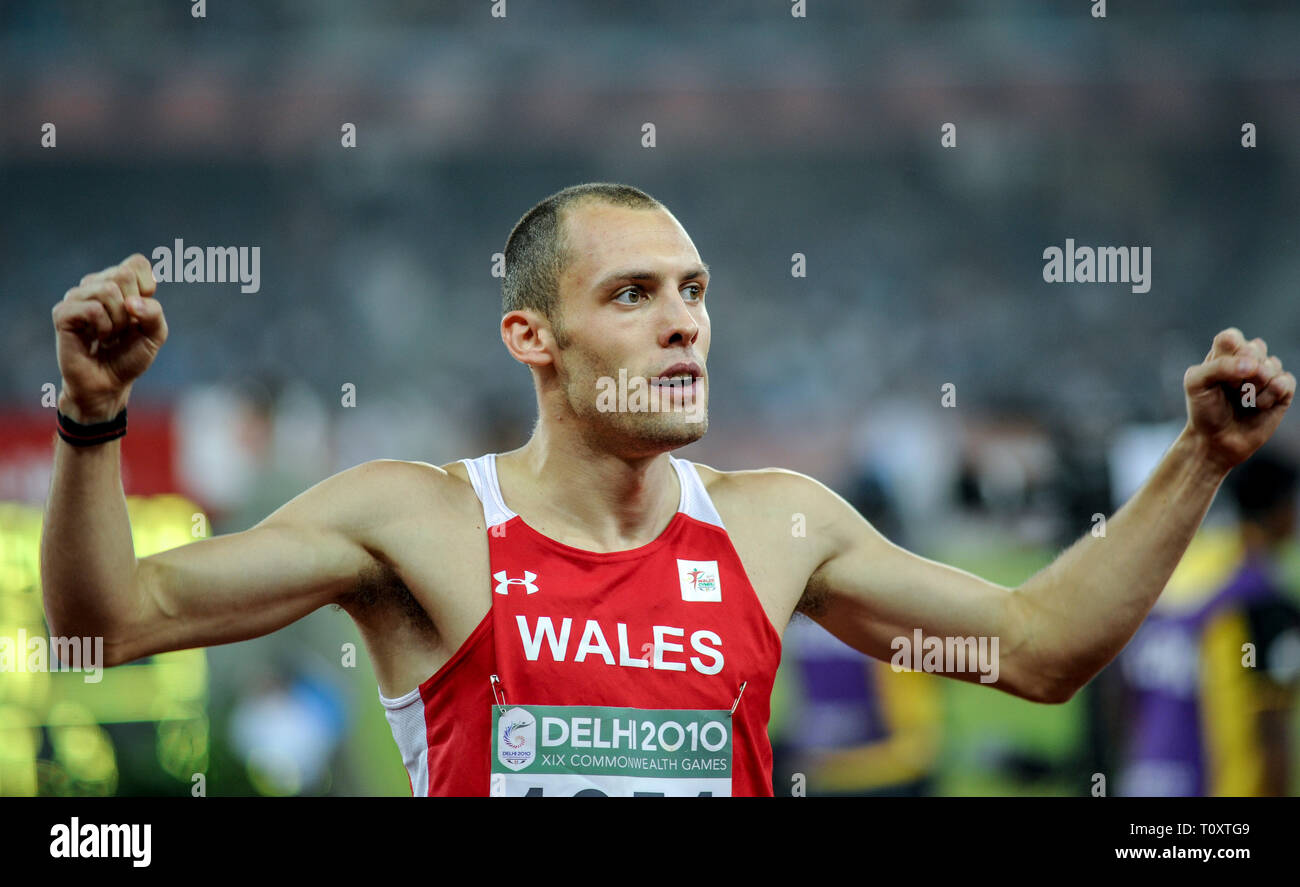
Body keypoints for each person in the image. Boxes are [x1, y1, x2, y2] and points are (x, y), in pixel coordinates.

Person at [41, 182, 1296, 796]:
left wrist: (1200, 460)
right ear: (532, 338)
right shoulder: (412, 518)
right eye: (633, 295)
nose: (683, 325)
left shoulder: (777, 521)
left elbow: (1039, 649)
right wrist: (94, 419)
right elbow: (106, 625)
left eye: (694, 292)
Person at [1116, 450, 1300, 796]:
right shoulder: (1262, 602)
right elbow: (1271, 732)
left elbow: (1120, 692)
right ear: (1282, 510)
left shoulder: (1174, 577)